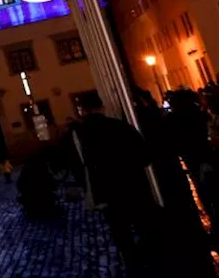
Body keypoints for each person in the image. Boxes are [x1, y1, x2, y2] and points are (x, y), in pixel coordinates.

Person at [65, 91, 157, 271]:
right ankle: (153, 261)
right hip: (134, 187)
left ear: (82, 110)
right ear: (102, 107)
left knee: (121, 233)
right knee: (144, 227)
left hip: (107, 193)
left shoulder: (80, 135)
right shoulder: (120, 127)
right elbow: (145, 156)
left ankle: (133, 263)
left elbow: (75, 166)